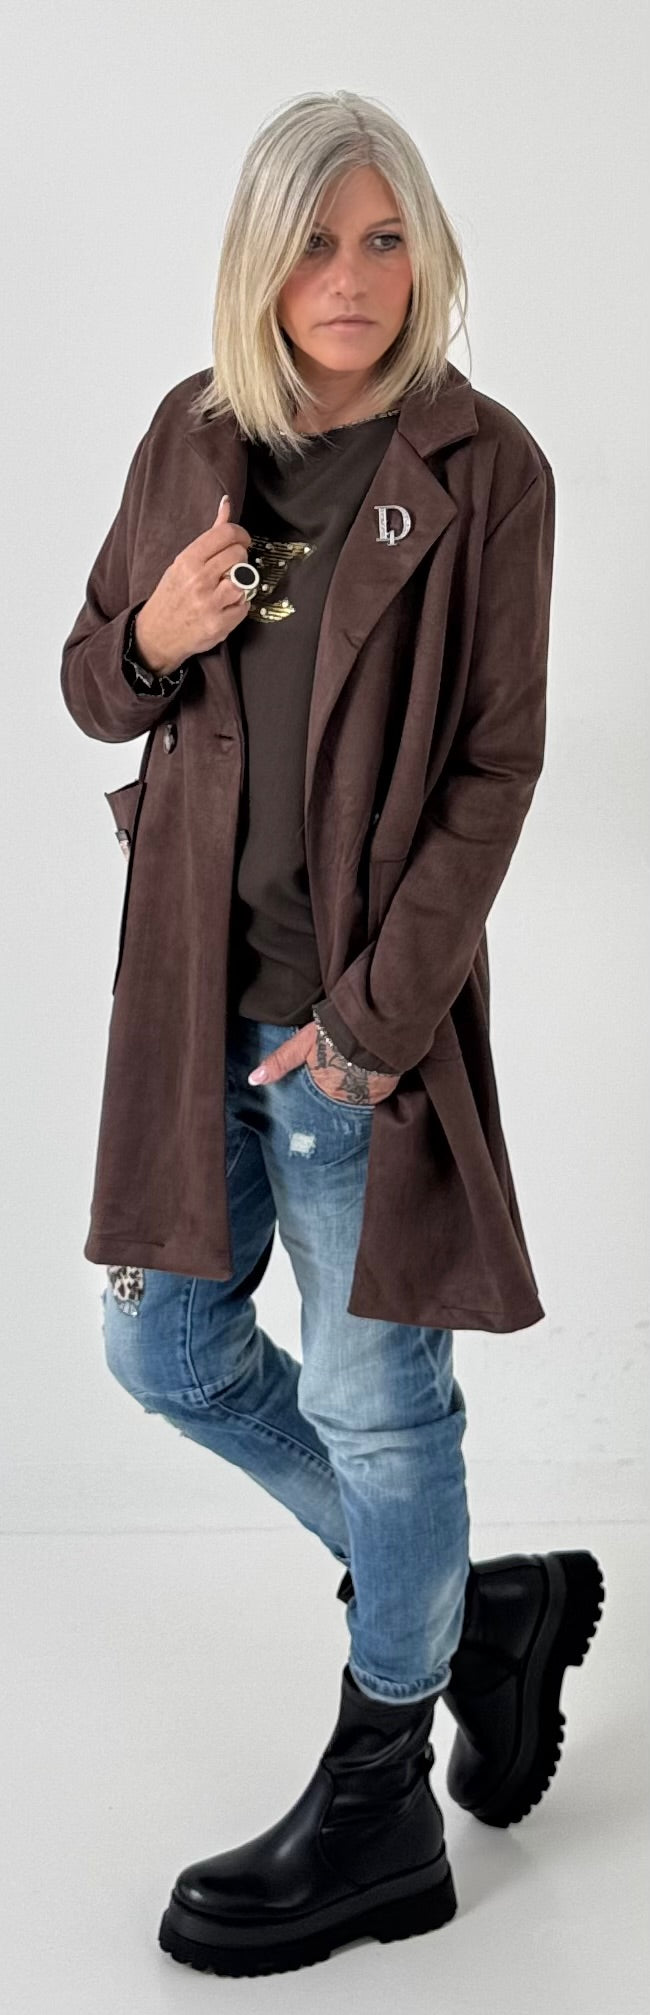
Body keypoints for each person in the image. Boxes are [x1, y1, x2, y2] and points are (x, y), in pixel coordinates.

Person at [60, 89, 604, 1979]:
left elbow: (493, 767)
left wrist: (371, 1028)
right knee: (162, 1351)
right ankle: (470, 1610)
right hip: (183, 1009)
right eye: (313, 241)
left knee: (381, 1405)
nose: (350, 278)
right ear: (258, 260)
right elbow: (89, 686)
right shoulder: (189, 432)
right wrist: (154, 630)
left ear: (422, 252)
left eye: (381, 239)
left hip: (350, 1040)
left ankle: (383, 1805)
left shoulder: (485, 467)